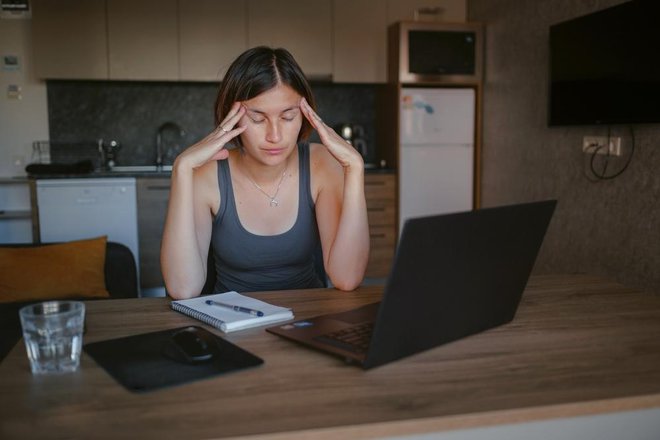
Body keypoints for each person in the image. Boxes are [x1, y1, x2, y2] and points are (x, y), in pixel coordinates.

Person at [161, 46, 370, 299]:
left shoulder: (321, 164)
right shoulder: (206, 175)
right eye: (258, 119)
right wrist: (182, 170)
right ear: (233, 115)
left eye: (288, 116)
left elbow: (347, 279)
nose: (275, 136)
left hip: (309, 318)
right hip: (231, 323)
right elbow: (183, 289)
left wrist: (355, 168)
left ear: (305, 115)